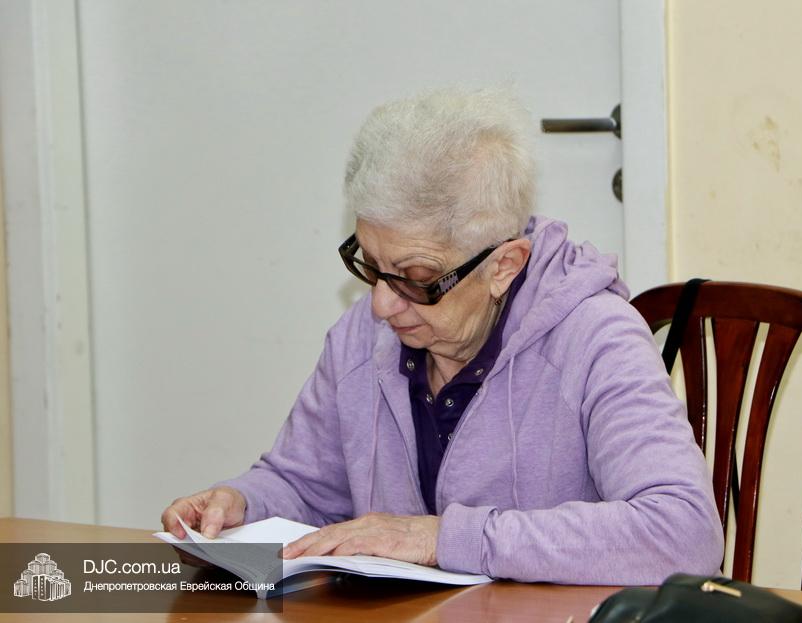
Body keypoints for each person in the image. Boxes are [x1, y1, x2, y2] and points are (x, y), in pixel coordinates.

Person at [161, 86, 723, 584]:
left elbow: (683, 533)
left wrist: (442, 539)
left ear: (504, 266)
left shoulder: (595, 338)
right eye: (370, 264)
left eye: (417, 277)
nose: (381, 304)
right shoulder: (363, 336)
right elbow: (306, 486)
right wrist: (241, 504)